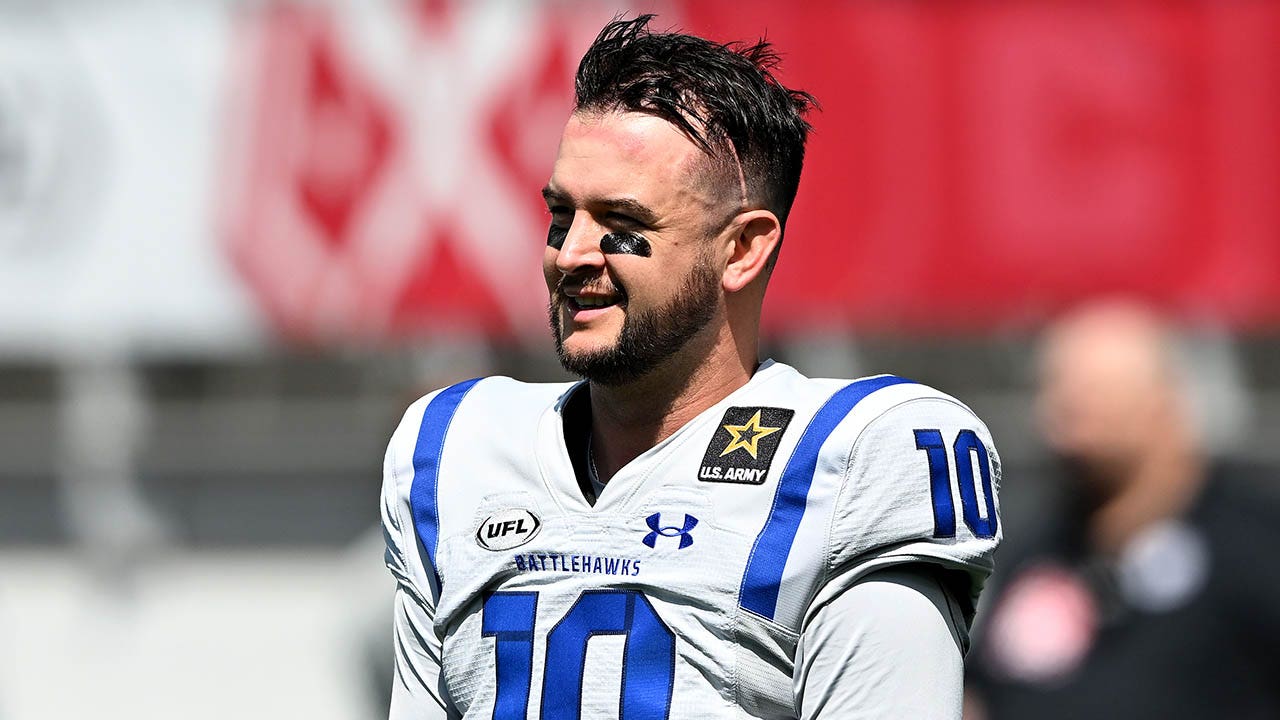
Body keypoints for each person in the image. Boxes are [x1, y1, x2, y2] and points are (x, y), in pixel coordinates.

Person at [381, 16, 1001, 719]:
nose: (570, 254)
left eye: (621, 225)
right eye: (561, 216)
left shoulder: (853, 458)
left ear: (741, 250)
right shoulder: (455, 449)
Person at [965, 300, 1280, 719]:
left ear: (1166, 398)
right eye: (1055, 384)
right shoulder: (1040, 549)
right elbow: (981, 694)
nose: (1063, 405)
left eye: (1093, 388)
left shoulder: (1254, 545)